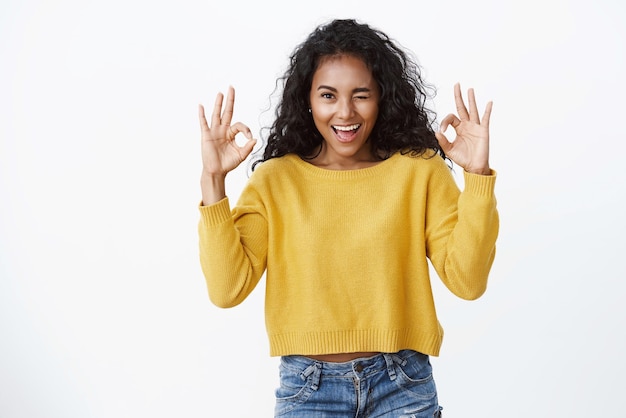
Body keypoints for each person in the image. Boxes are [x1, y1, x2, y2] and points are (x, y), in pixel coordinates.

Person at [197, 19, 498, 417]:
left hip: (402, 384)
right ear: (307, 99)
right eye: (328, 95)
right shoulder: (276, 180)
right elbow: (226, 289)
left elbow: (468, 281)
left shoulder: (419, 172)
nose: (345, 112)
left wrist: (477, 178)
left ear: (382, 98)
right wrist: (214, 181)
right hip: (308, 389)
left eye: (361, 95)